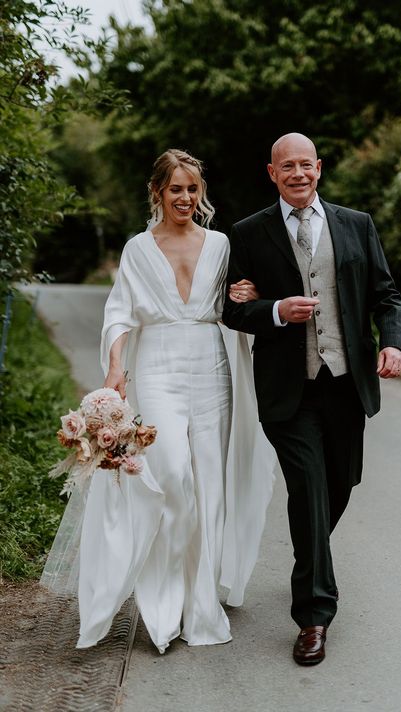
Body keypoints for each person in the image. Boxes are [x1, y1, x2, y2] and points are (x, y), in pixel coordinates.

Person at [41, 149, 274, 653]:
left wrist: (247, 293)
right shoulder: (137, 249)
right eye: (176, 189)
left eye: (192, 189)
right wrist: (116, 367)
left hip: (213, 368)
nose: (185, 198)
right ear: (158, 193)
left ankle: (200, 603)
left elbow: (236, 301)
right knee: (171, 476)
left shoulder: (219, 244)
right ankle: (163, 603)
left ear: (201, 193)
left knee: (210, 481)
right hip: (159, 369)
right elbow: (120, 311)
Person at [222, 132, 401, 666]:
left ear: (319, 169)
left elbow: (386, 294)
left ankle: (312, 555)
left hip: (346, 383)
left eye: (307, 165)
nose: (298, 174)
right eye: (288, 167)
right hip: (288, 387)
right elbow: (232, 309)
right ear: (272, 173)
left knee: (340, 484)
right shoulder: (248, 233)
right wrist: (276, 310)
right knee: (307, 489)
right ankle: (314, 615)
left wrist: (392, 343)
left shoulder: (357, 224)